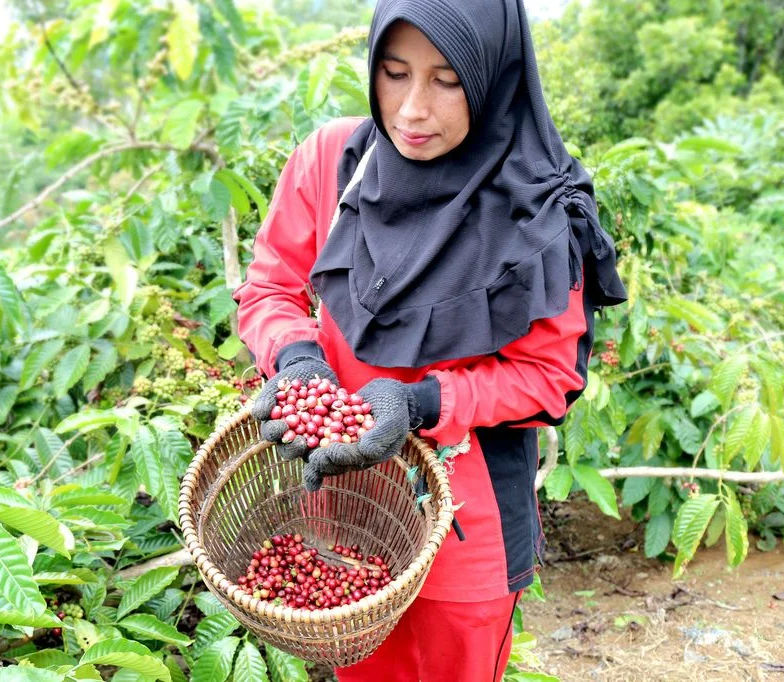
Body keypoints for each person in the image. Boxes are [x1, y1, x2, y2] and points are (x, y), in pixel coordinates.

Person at [232, 0, 627, 679]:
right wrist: (297, 358)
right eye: (394, 72)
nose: (413, 109)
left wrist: (419, 405)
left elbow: (548, 375)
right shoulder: (333, 161)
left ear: (493, 77)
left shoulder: (539, 207)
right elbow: (271, 289)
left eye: (447, 81)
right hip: (346, 508)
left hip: (466, 527)